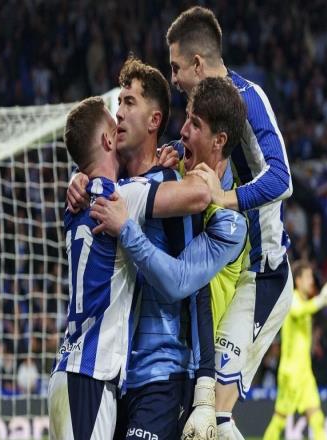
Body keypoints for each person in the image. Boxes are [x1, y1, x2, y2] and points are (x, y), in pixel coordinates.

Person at [90, 76, 249, 440]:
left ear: (219, 141)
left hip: (172, 372)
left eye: (195, 124)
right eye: (186, 119)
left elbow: (178, 282)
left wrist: (126, 228)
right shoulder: (169, 174)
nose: (183, 131)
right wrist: (82, 181)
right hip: (123, 371)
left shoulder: (231, 223)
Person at [48, 95, 211, 440]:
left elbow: (90, 172)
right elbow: (199, 195)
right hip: (90, 374)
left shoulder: (77, 201)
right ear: (108, 141)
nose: (120, 122)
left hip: (74, 369)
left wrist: (78, 176)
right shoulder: (120, 197)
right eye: (115, 127)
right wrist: (173, 162)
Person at [166, 6, 294, 439]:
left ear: (197, 64)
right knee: (203, 416)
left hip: (262, 276)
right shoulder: (211, 112)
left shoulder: (248, 100)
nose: (173, 78)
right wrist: (175, 151)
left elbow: (282, 178)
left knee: (214, 416)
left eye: (176, 67)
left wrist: (227, 198)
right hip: (232, 272)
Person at [263, 261, 327, 440]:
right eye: (307, 277)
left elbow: (308, 309)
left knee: (317, 417)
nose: (311, 280)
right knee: (280, 420)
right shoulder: (292, 299)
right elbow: (299, 311)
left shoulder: (305, 302)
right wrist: (321, 300)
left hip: (305, 373)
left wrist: (321, 301)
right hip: (291, 372)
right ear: (298, 280)